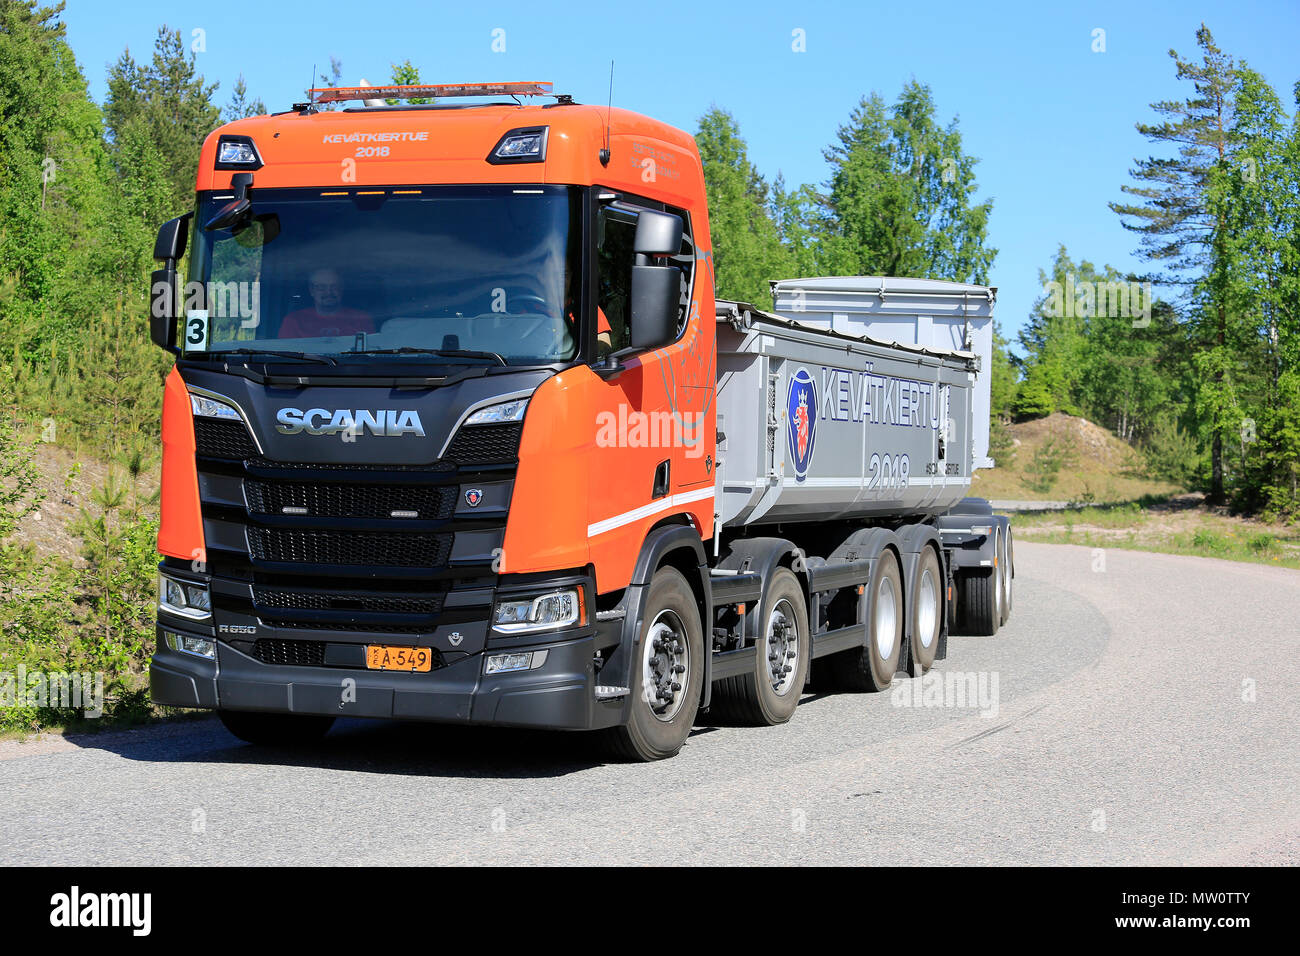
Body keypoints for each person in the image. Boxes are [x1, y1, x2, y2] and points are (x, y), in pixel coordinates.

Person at [279, 268, 374, 338]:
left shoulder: (361, 319)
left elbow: (369, 355)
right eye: (321, 287)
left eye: (334, 287)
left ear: (341, 289)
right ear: (312, 291)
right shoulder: (294, 321)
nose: (329, 292)